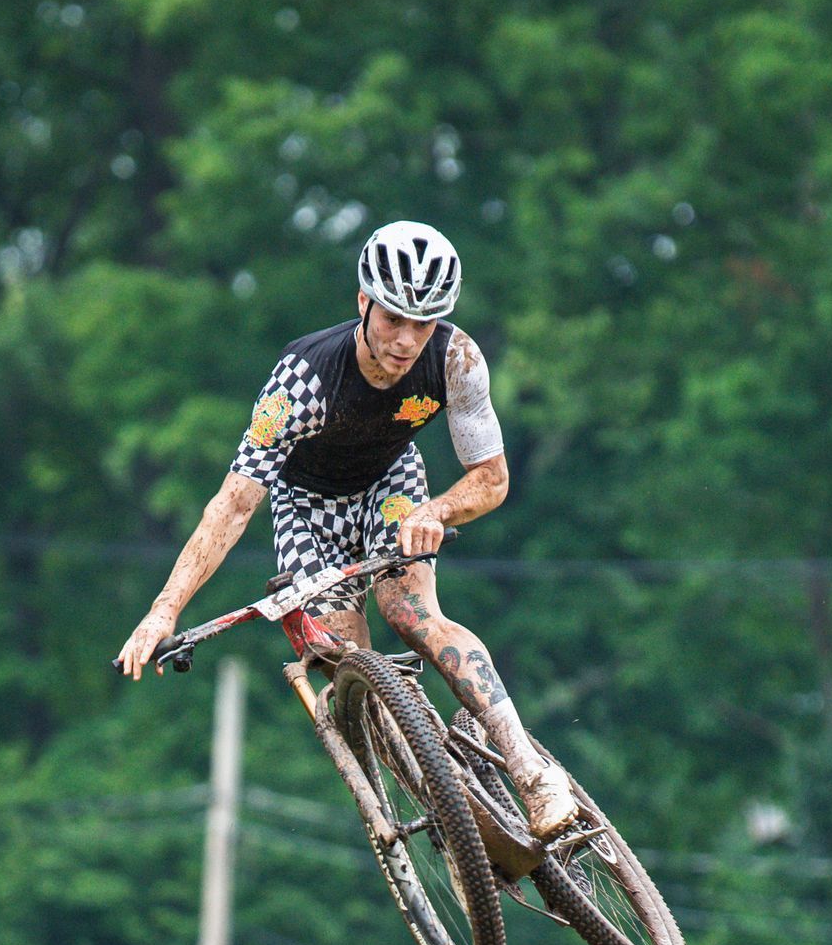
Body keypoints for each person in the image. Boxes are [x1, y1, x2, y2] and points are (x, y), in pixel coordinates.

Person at [115, 220, 578, 837]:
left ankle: (533, 775)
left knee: (412, 615)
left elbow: (491, 480)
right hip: (306, 505)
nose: (407, 340)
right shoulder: (302, 380)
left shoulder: (456, 359)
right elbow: (232, 505)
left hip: (393, 487)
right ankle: (440, 799)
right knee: (346, 660)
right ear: (363, 302)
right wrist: (163, 610)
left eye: (424, 323)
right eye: (393, 318)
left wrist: (435, 511)